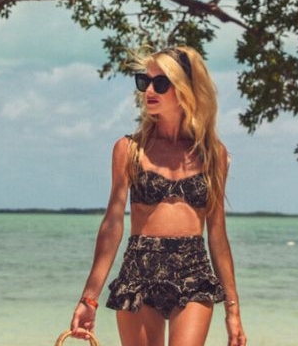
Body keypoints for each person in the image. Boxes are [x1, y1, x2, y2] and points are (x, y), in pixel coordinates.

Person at [69, 47, 247, 346]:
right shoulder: (129, 149)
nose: (149, 90)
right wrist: (89, 298)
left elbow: (217, 234)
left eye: (160, 83)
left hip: (193, 269)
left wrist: (233, 310)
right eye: (144, 82)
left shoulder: (213, 154)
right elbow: (113, 224)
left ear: (186, 89)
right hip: (139, 268)